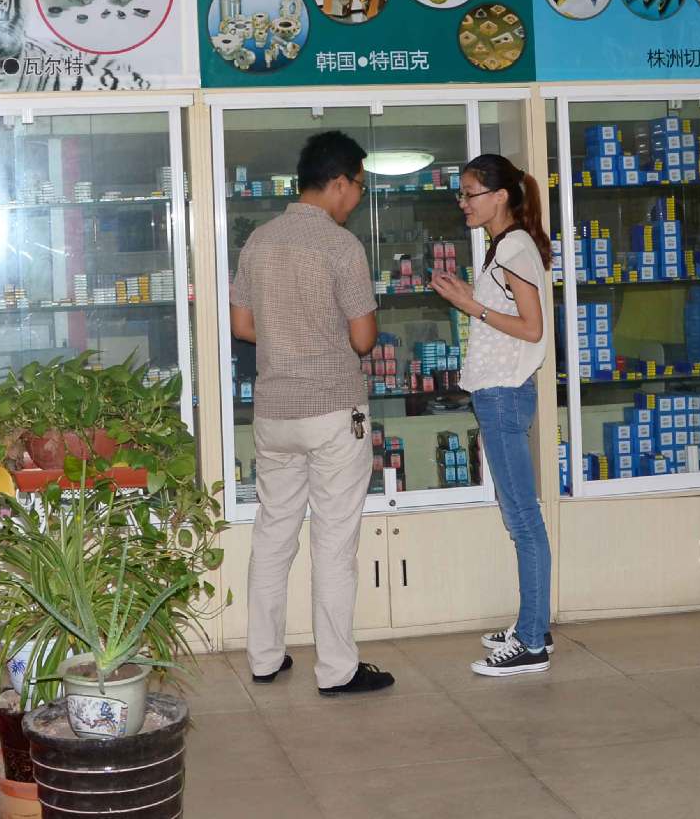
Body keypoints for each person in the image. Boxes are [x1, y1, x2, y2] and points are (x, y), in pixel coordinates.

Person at [229, 130, 394, 697]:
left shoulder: (258, 241)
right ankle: (338, 669)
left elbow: (242, 326)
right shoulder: (341, 246)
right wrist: (322, 339)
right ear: (339, 182)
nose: (358, 197)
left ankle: (264, 658)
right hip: (331, 410)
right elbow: (364, 338)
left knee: (273, 533)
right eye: (359, 186)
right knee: (334, 541)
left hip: (274, 413)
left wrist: (288, 340)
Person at [431, 153, 554, 677]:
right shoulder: (504, 246)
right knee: (518, 515)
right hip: (499, 392)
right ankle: (532, 623)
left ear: (500, 196)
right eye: (461, 194)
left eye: (470, 193)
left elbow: (532, 327)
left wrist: (472, 306)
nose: (463, 202)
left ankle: (532, 643)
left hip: (504, 394)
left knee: (523, 519)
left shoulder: (513, 248)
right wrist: (471, 298)